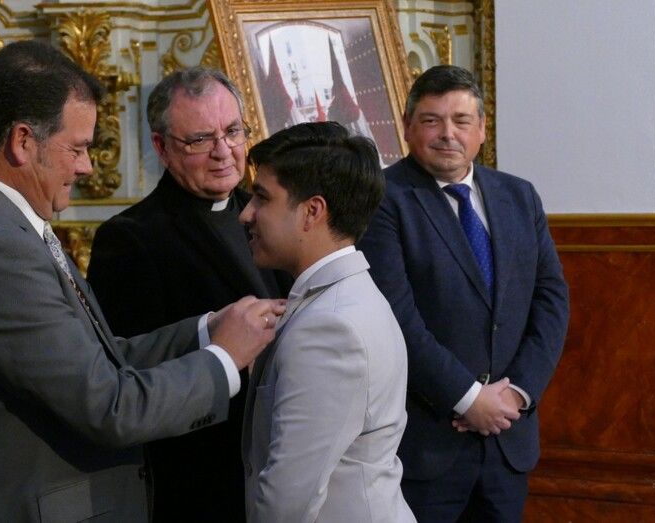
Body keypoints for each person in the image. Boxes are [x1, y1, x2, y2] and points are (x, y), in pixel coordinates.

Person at [0, 40, 284, 522]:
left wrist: (206, 330)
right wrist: (224, 359)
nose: (86, 166)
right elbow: (110, 404)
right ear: (23, 142)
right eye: (78, 148)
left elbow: (103, 358)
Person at [357, 65, 569, 521]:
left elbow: (551, 301)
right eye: (431, 120)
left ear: (482, 129)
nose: (447, 134)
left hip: (507, 438)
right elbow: (396, 317)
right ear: (408, 127)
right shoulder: (381, 199)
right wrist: (469, 398)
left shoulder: (520, 196)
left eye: (461, 120)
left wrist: (516, 395)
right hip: (427, 443)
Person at [87, 67, 289, 521]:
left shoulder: (271, 214)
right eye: (200, 139)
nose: (223, 151)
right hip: (201, 474)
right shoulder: (130, 238)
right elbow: (130, 368)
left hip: (278, 454)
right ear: (162, 147)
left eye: (232, 131)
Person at [240, 121, 415, 522]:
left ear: (312, 211)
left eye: (261, 197)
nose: (246, 214)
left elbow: (286, 502)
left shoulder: (331, 327)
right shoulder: (344, 300)